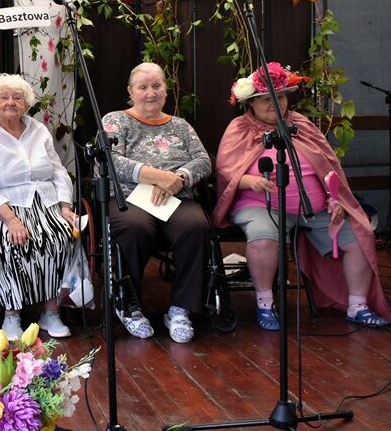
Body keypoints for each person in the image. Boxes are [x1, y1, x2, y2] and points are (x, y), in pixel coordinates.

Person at [214, 62, 390, 329]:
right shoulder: (240, 128)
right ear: (250, 103)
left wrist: (335, 198)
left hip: (317, 208)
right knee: (263, 239)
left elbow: (328, 165)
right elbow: (226, 168)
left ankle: (357, 306)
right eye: (265, 99)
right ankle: (265, 306)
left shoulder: (301, 124)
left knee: (359, 232)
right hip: (263, 205)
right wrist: (248, 180)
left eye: (280, 96)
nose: (275, 103)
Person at [102, 62, 212, 343]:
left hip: (176, 196)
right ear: (131, 91)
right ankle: (130, 306)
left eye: (156, 86)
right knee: (134, 227)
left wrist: (179, 178)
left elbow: (203, 161)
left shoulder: (180, 126)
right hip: (130, 197)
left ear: (165, 89)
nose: (150, 93)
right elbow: (111, 161)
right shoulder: (116, 120)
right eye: (143, 87)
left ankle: (179, 309)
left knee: (195, 226)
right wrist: (157, 177)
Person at [0, 74, 79, 340]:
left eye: (17, 97)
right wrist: (11, 220)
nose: (10, 102)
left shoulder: (38, 130)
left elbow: (59, 172)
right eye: (4, 97)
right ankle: (12, 314)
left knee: (61, 235)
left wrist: (66, 207)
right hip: (3, 205)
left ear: (26, 104)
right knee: (13, 240)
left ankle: (50, 312)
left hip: (46, 200)